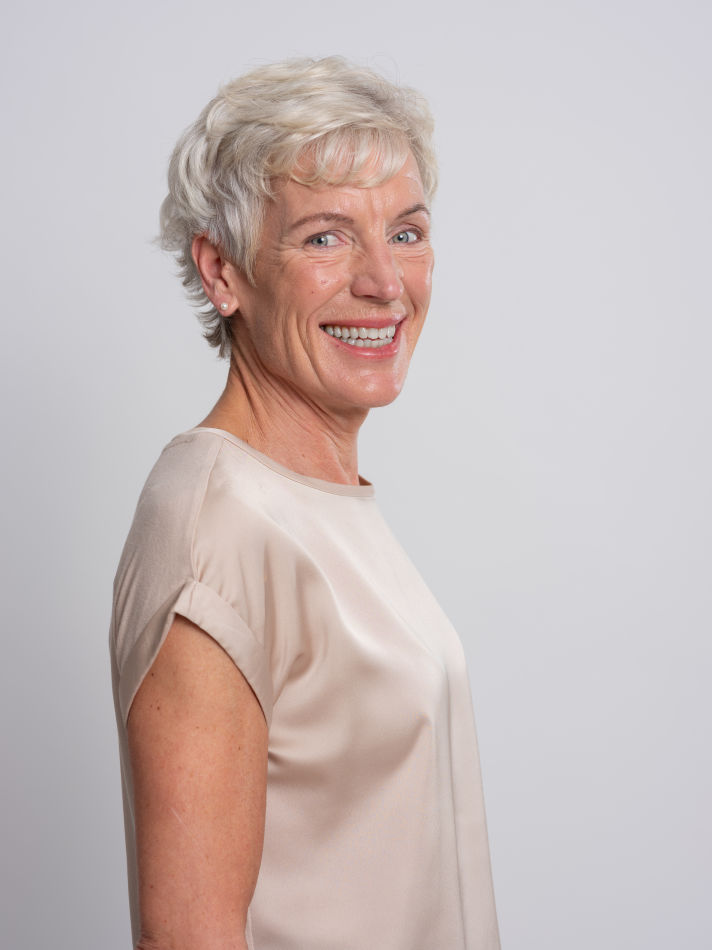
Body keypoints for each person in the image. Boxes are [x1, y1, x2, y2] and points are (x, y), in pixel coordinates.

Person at [110, 56, 500, 950]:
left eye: (406, 232)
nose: (385, 283)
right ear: (223, 271)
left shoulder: (313, 501)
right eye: (326, 238)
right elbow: (189, 938)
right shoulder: (220, 524)